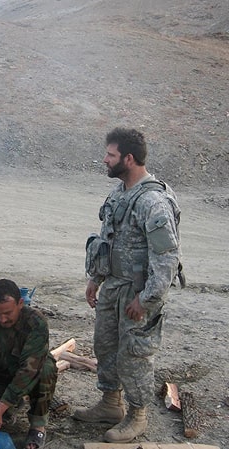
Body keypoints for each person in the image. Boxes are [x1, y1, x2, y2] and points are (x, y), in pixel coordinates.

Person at [73, 127, 182, 443]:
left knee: (135, 354)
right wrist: (95, 279)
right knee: (105, 346)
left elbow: (166, 258)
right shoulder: (119, 193)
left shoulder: (153, 201)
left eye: (111, 154)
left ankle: (137, 416)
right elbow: (107, 239)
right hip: (113, 288)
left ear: (129, 158)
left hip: (137, 294)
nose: (105, 159)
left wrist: (146, 299)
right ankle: (111, 404)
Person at [0, 278, 57, 449]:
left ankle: (38, 426)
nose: (2, 319)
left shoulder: (35, 322)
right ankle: (7, 411)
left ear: (20, 303)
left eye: (7, 313)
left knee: (46, 368)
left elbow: (30, 370)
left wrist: (2, 406)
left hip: (25, 374)